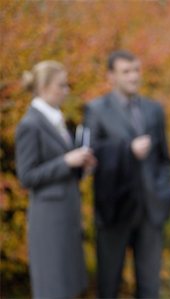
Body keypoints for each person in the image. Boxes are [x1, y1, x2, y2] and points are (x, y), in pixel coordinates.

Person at [84, 50, 170, 298]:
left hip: (150, 209)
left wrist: (163, 193)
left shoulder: (154, 110)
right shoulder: (96, 109)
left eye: (136, 70)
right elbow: (90, 154)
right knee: (109, 285)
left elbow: (164, 158)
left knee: (149, 287)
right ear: (110, 76)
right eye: (126, 71)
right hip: (113, 210)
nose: (134, 76)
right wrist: (127, 150)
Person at [15, 60, 96, 298]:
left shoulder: (55, 119)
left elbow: (61, 170)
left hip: (67, 214)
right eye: (61, 85)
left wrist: (82, 167)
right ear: (43, 87)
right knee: (52, 287)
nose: (66, 90)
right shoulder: (30, 124)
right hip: (48, 219)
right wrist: (66, 161)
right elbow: (26, 176)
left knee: (68, 286)